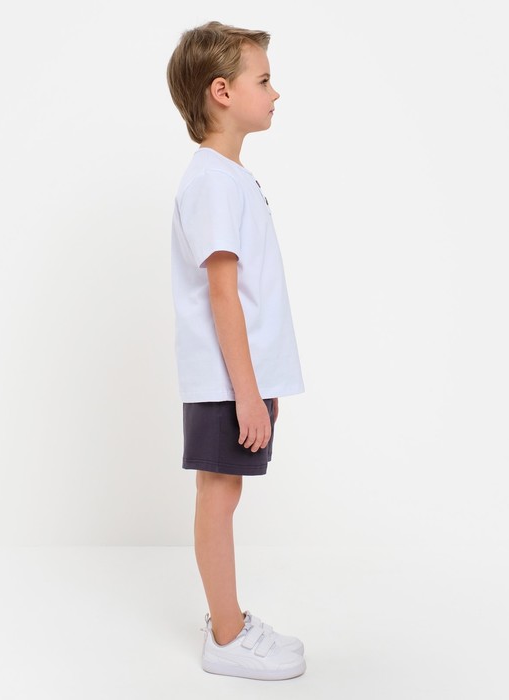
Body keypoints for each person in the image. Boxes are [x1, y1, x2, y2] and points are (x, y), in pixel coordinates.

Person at [166, 21, 307, 681]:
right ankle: (226, 635)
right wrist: (246, 393)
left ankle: (227, 623)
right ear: (222, 92)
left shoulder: (228, 177)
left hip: (239, 378)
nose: (275, 93)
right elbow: (222, 293)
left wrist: (260, 384)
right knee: (219, 493)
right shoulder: (213, 182)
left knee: (224, 492)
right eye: (264, 80)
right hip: (228, 380)